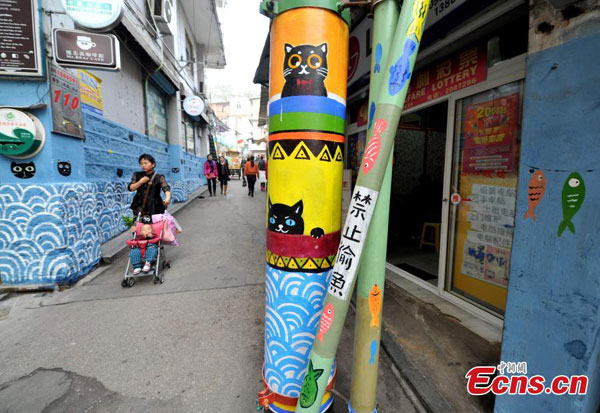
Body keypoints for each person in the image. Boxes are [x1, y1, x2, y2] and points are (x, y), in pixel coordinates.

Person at [129, 154, 171, 220]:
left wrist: (167, 198)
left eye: (145, 163)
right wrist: (140, 182)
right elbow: (131, 188)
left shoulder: (159, 177)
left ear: (153, 164)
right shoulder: (137, 175)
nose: (143, 165)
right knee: (138, 227)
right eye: (141, 164)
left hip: (155, 206)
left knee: (155, 227)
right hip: (139, 206)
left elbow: (166, 189)